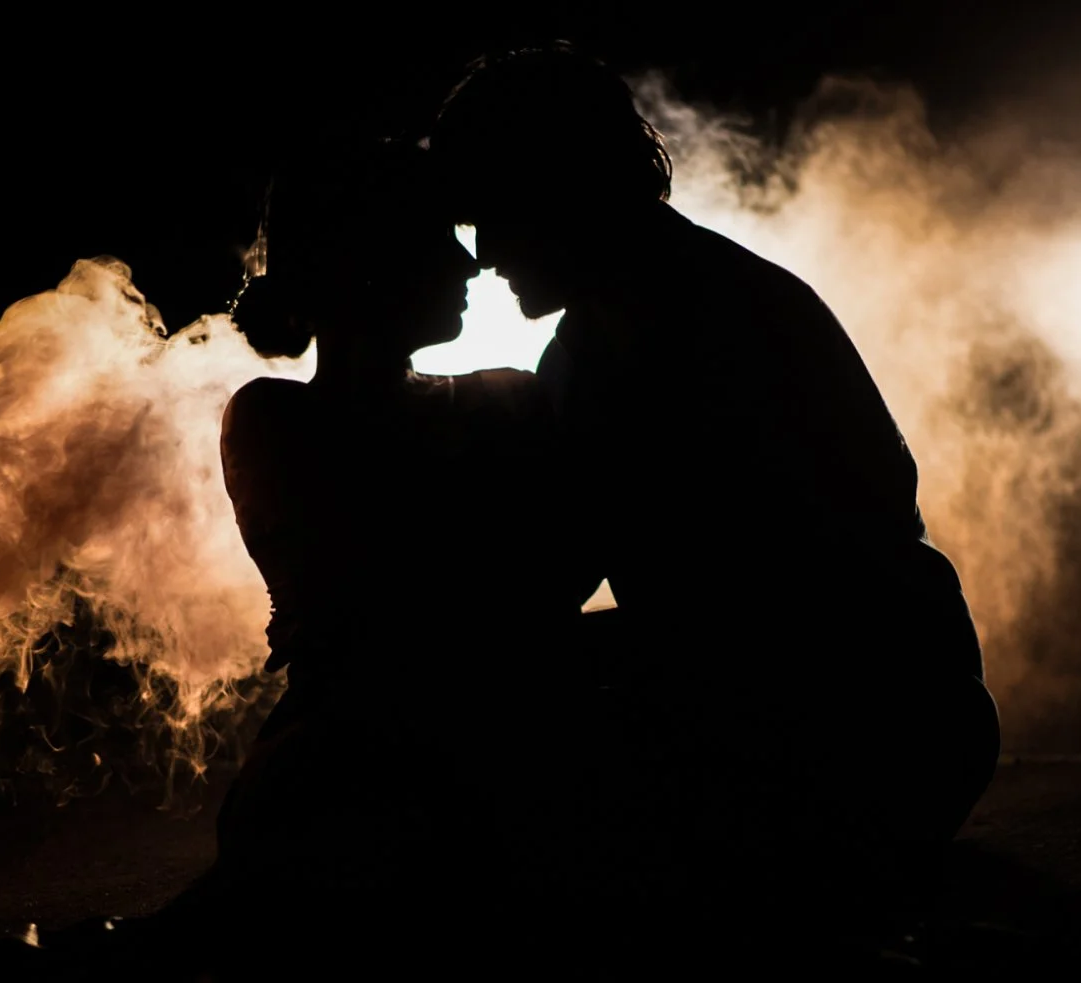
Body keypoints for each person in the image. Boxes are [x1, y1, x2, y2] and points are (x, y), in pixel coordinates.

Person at [427, 42, 1002, 962]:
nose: (485, 254)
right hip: (898, 718)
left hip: (858, 734)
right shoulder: (662, 317)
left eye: (491, 216)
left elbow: (578, 594)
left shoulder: (668, 335)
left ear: (556, 188)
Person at [145, 136, 605, 978]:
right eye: (435, 238)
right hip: (384, 768)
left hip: (418, 757)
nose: (468, 264)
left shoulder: (504, 398)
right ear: (362, 260)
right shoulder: (276, 420)